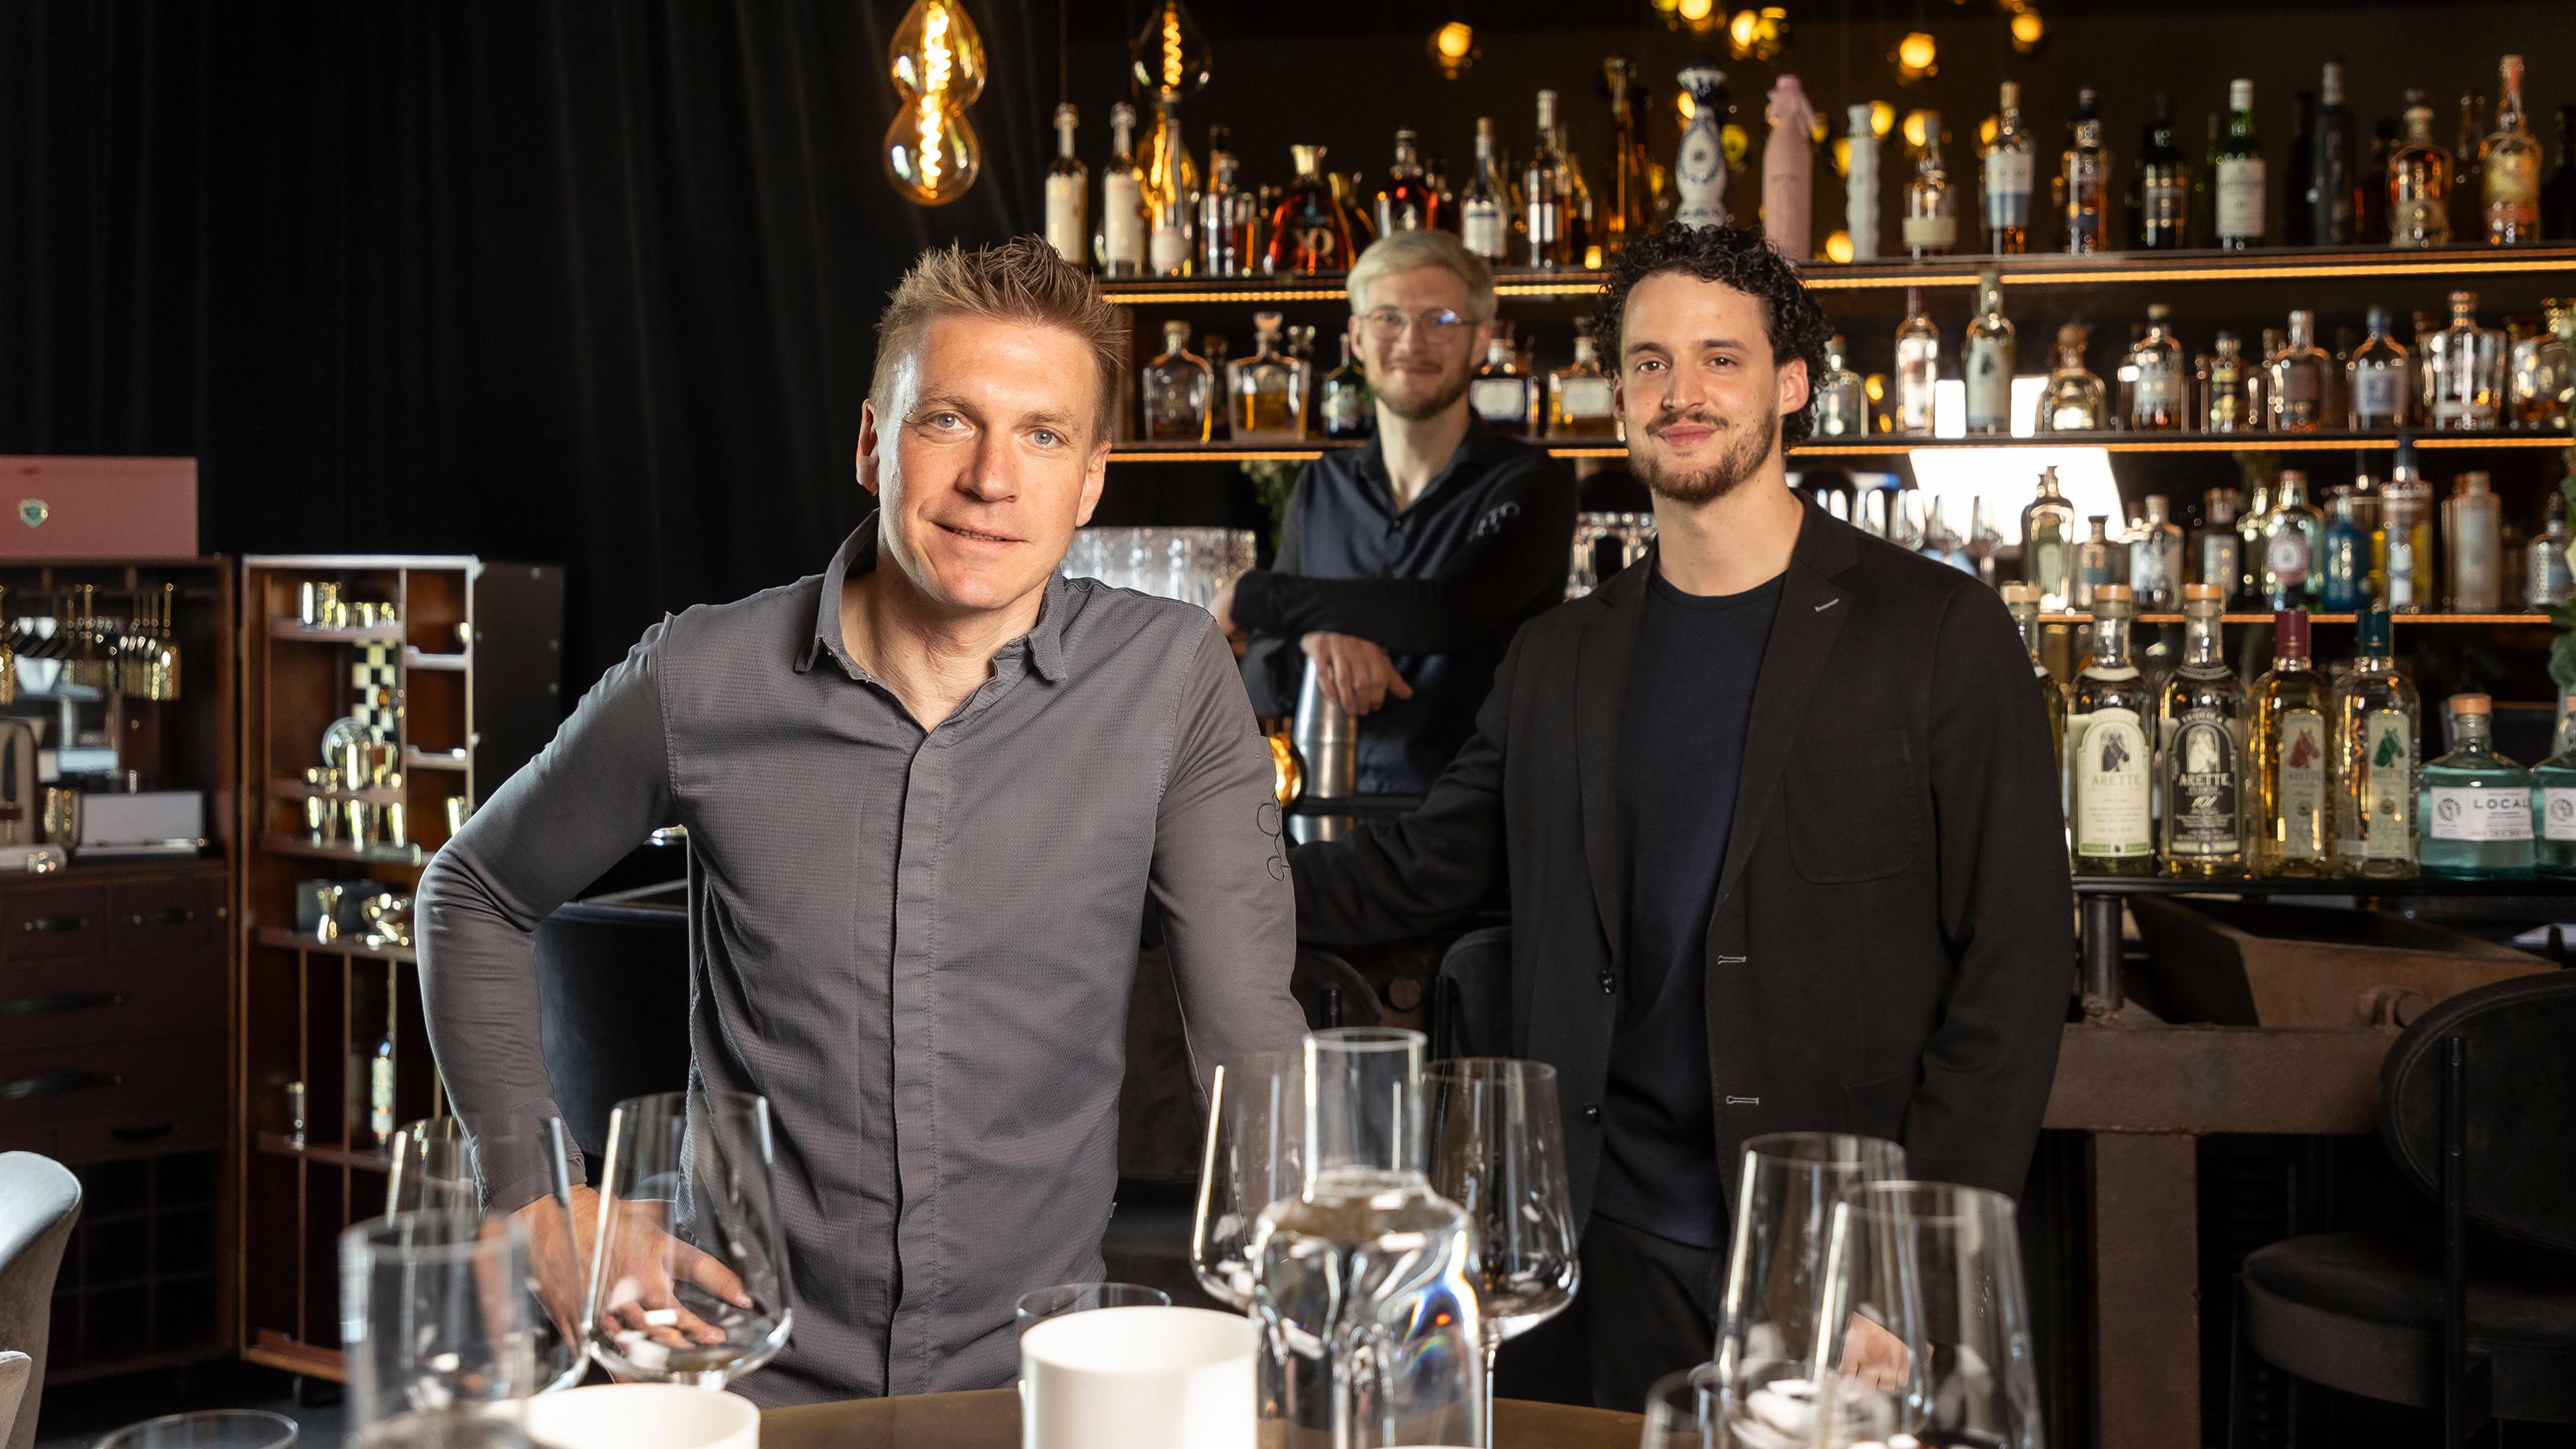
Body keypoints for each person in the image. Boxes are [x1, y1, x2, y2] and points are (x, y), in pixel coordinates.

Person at [416, 237, 1311, 1406]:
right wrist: (532, 1195)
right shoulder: (700, 678)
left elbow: (1248, 1036)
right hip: (737, 1367)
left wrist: (1318, 1293)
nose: (992, 479)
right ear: (870, 444)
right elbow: (472, 891)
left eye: (1043, 436)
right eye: (949, 420)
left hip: (1033, 1384)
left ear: (1091, 482)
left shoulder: (1170, 675)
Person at [1287, 224, 2073, 1409]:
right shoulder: (1559, 657)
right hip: (1602, 1244)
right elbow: (1418, 870)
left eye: (1720, 358)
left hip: (1841, 1252)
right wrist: (1162, 868)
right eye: (1649, 362)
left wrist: (1910, 1266)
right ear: (1616, 397)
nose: (1680, 393)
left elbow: (2015, 962)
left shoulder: (1935, 633)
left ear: (1790, 384)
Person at [1212, 229, 1577, 799]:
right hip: (1327, 826)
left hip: (1475, 829)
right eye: (1388, 318)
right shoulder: (1323, 484)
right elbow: (1259, 677)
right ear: (1357, 338)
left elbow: (1446, 610)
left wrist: (1252, 595)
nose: (1411, 341)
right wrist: (1314, 643)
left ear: (1480, 340)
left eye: (1440, 320)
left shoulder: (1532, 483)